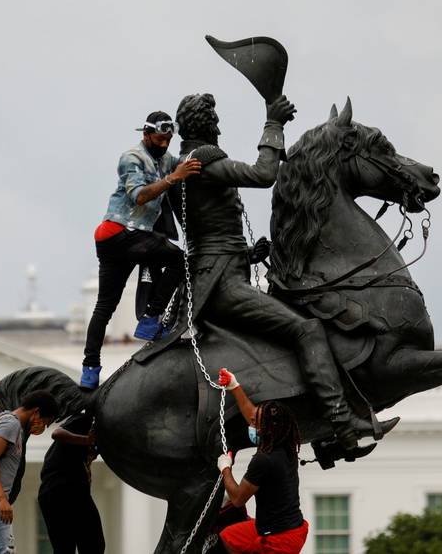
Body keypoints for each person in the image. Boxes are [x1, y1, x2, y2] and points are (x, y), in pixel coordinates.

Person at [170, 93, 398, 453]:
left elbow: (208, 233)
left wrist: (246, 253)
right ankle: (340, 423)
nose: (218, 125)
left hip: (225, 271)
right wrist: (273, 123)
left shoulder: (188, 165)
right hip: (223, 287)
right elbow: (264, 174)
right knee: (306, 329)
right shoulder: (203, 163)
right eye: (214, 119)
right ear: (208, 125)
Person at [81, 111, 202, 388]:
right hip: (119, 233)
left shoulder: (166, 159)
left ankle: (90, 372)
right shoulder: (132, 158)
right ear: (146, 134)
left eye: (168, 140)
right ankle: (149, 320)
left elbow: (185, 162)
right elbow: (139, 195)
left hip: (130, 237)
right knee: (179, 259)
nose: (164, 144)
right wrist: (174, 178)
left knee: (105, 306)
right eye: (159, 138)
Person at [212, 368, 307, 554]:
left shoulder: (263, 460)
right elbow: (253, 414)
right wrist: (235, 386)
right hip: (290, 528)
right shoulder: (285, 444)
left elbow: (238, 499)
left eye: (255, 424)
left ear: (267, 429)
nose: (251, 424)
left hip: (279, 541)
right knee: (228, 536)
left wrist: (225, 469)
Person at [0, 387, 59, 554]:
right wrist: (2, 499)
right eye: (44, 422)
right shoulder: (12, 424)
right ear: (36, 412)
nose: (42, 427)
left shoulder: (0, 419)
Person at [38, 412, 105, 553]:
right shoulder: (86, 419)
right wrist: (87, 440)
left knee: (74, 545)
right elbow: (57, 433)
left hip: (57, 491)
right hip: (64, 488)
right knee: (91, 544)